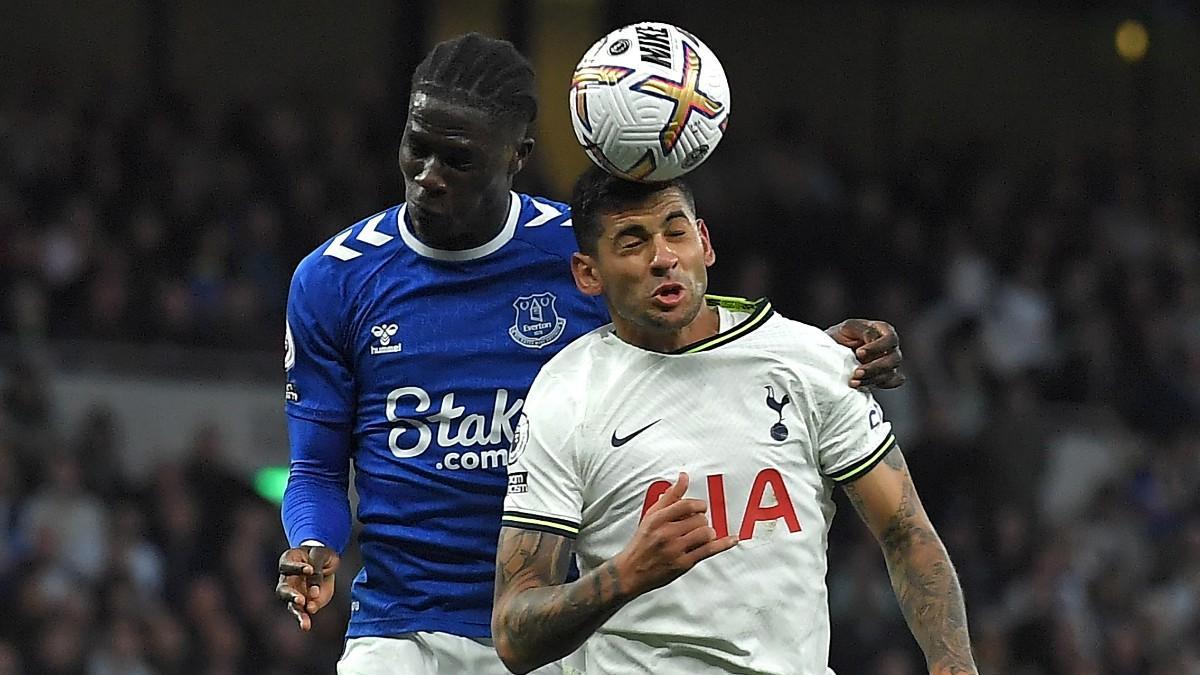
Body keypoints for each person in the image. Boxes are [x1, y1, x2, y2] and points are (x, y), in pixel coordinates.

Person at [275, 33, 906, 674]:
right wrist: (313, 542)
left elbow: (690, 333)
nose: (428, 177)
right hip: (400, 631)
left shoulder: (580, 257)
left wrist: (818, 353)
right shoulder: (334, 280)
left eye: (458, 161)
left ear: (518, 155)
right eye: (417, 147)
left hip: (556, 627)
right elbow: (317, 471)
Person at [492, 167, 976, 675]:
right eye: (632, 243)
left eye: (676, 232)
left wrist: (956, 668)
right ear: (588, 274)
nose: (662, 259)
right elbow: (513, 634)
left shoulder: (810, 361)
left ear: (704, 242)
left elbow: (905, 533)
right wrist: (627, 574)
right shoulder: (566, 392)